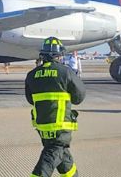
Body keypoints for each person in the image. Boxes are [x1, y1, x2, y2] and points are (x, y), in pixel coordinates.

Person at [25, 37, 86, 177]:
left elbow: (30, 99)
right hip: (60, 125)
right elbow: (79, 98)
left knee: (62, 155)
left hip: (42, 126)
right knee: (52, 154)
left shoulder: (32, 75)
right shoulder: (65, 72)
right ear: (59, 55)